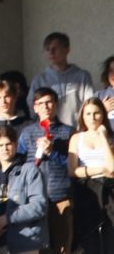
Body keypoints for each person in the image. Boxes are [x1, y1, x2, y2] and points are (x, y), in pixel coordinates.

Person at [17, 88, 73, 254]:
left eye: (49, 102)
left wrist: (52, 152)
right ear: (35, 107)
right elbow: (19, 164)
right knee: (36, 247)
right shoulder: (27, 132)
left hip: (60, 196)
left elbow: (72, 165)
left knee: (62, 246)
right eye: (40, 103)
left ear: (56, 104)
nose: (45, 107)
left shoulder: (68, 132)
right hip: (34, 199)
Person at [0, 124, 49, 252]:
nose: (5, 149)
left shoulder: (30, 171)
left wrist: (8, 218)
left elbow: (39, 205)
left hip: (27, 242)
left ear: (16, 145)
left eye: (8, 144)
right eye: (0, 145)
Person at [69, 97, 114, 254]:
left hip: (108, 190)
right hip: (86, 190)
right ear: (82, 116)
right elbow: (73, 170)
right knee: (89, 238)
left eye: (96, 113)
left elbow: (112, 168)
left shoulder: (110, 137)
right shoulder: (76, 138)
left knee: (110, 237)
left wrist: (103, 137)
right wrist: (100, 168)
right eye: (88, 114)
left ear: (103, 114)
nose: (92, 117)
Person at [30, 33, 97, 129]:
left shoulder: (82, 76)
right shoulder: (39, 79)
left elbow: (89, 104)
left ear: (67, 49)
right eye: (48, 49)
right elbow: (32, 107)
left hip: (76, 131)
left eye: (55, 48)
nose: (51, 52)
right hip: (47, 131)